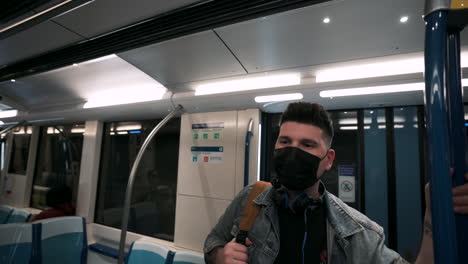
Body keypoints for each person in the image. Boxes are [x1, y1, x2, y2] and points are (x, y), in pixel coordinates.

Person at [204, 102, 468, 264]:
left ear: (328, 159)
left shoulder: (358, 233)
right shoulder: (251, 198)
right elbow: (213, 240)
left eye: (307, 145)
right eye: (285, 142)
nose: (293, 151)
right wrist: (219, 256)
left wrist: (434, 216)